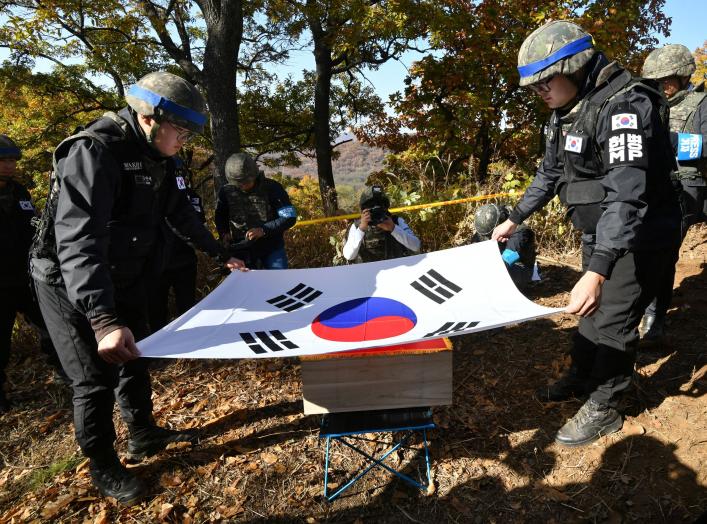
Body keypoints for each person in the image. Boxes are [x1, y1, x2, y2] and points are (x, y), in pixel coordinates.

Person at [29, 71, 244, 505]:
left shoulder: (159, 157)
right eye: (179, 130)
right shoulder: (94, 152)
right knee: (94, 377)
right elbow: (78, 240)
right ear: (150, 119)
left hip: (123, 272)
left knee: (135, 355)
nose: (184, 140)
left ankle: (142, 433)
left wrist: (220, 253)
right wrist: (103, 318)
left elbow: (181, 214)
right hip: (67, 280)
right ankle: (103, 465)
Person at [492, 21, 681, 447]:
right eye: (533, 86)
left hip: (639, 233)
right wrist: (515, 217)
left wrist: (597, 270)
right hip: (600, 230)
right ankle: (581, 376)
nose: (539, 91)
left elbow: (627, 197)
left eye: (545, 81)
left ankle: (605, 404)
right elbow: (551, 171)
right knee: (589, 313)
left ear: (574, 66)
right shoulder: (568, 108)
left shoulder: (624, 107)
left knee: (614, 317)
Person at [638, 44, 707, 342]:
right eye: (658, 80)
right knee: (655, 249)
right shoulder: (651, 105)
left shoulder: (701, 103)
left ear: (683, 77)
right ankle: (650, 311)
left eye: (668, 79)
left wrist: (669, 140)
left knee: (663, 250)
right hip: (659, 185)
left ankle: (654, 318)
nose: (663, 86)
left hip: (692, 185)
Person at [0, 135, 65, 413]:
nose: (9, 166)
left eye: (12, 160)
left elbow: (34, 228)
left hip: (26, 277)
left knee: (51, 326)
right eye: (3, 160)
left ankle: (66, 373)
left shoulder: (21, 193)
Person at [148, 157, 204, 332]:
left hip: (184, 262)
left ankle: (188, 346)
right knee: (156, 309)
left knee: (187, 307)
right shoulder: (147, 196)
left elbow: (196, 223)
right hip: (156, 263)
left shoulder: (192, 197)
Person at [215, 153, 297, 269]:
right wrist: (224, 233)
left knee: (278, 284)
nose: (243, 186)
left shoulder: (272, 188)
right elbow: (220, 215)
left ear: (254, 175)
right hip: (241, 249)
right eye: (239, 183)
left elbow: (289, 217)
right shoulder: (226, 192)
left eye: (246, 182)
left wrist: (263, 230)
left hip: (272, 248)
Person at [343, 185, 421, 263]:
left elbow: (416, 246)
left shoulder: (396, 221)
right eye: (371, 206)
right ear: (364, 210)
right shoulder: (357, 226)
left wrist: (393, 228)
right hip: (368, 273)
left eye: (380, 205)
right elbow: (349, 255)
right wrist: (361, 229)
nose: (376, 209)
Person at [471, 203, 537, 287]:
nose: (489, 237)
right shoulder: (486, 229)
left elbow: (507, 259)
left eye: (491, 234)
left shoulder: (520, 232)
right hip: (498, 265)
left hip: (519, 269)